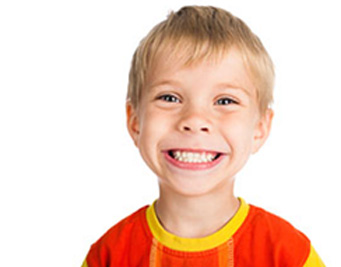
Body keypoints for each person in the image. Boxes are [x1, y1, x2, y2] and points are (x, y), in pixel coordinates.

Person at [81, 5, 325, 267]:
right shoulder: (108, 255)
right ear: (135, 121)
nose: (195, 120)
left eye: (225, 101)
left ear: (260, 128)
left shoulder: (290, 255)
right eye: (169, 98)